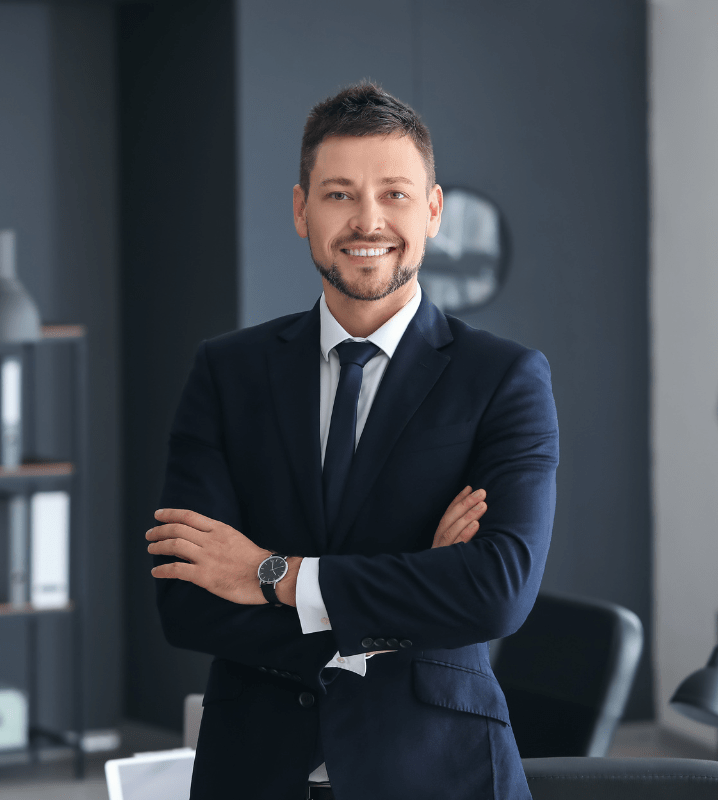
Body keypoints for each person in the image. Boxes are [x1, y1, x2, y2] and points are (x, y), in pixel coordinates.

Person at [146, 82, 559, 800]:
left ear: (433, 211)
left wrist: (272, 575)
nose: (368, 220)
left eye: (395, 194)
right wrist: (421, 584)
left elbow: (496, 592)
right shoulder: (227, 371)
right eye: (339, 195)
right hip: (254, 772)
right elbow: (187, 601)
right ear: (302, 210)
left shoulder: (505, 379)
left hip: (439, 771)